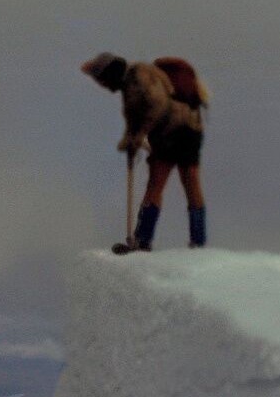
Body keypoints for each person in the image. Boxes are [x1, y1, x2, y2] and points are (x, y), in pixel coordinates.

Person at [81, 53, 209, 250]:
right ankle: (188, 240)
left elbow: (158, 106)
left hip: (177, 131)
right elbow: (134, 118)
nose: (103, 86)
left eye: (103, 80)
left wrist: (139, 135)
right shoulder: (130, 83)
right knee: (177, 183)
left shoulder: (139, 77)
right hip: (182, 130)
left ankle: (148, 240)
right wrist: (130, 140)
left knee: (171, 183)